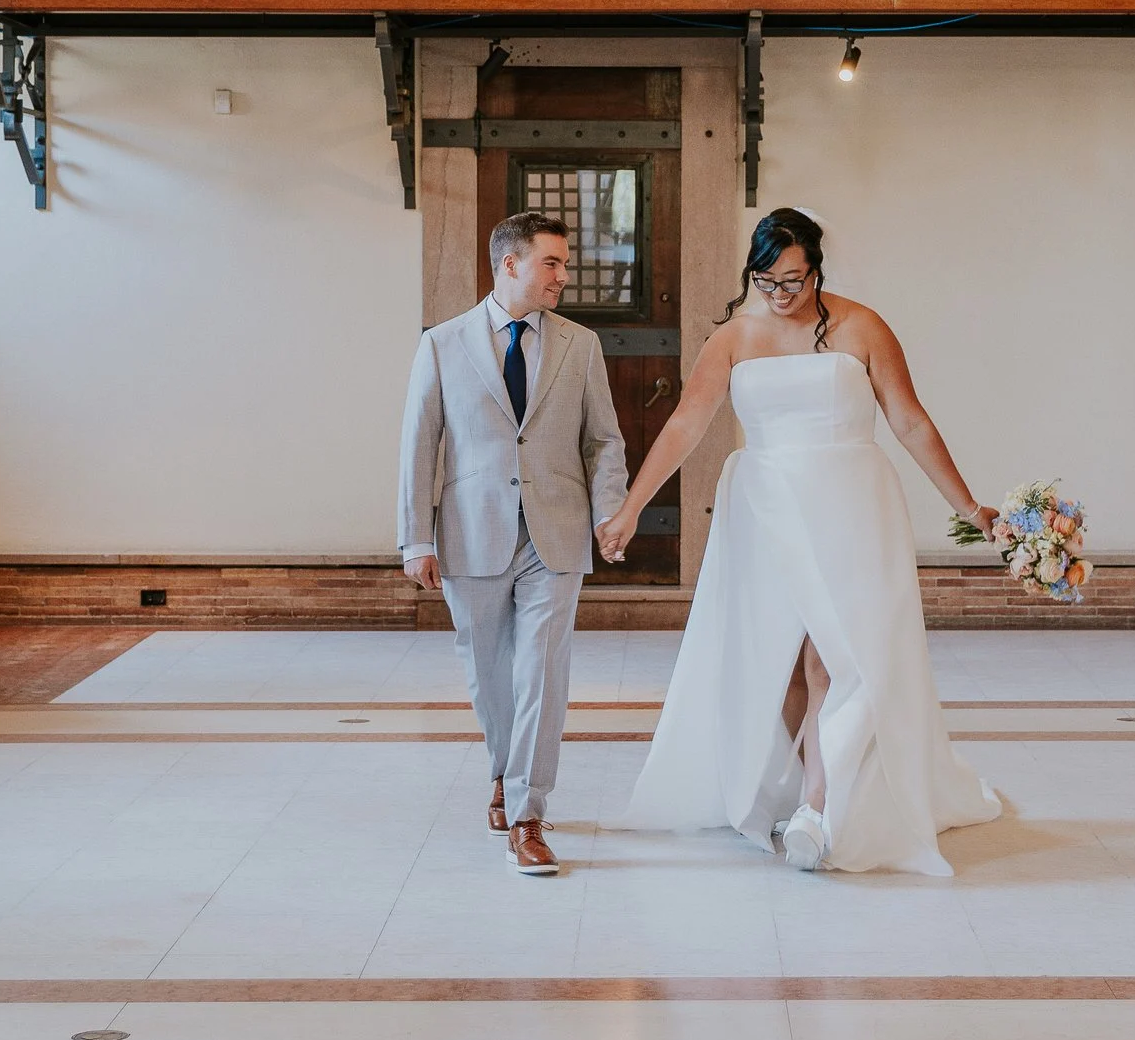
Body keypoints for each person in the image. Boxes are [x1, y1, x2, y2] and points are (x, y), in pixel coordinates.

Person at [598, 208, 1003, 875]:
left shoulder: (862, 325)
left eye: (793, 279)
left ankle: (819, 807)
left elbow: (908, 419)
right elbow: (685, 425)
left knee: (830, 656)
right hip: (764, 508)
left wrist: (967, 504)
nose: (780, 293)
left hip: (850, 503)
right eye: (766, 279)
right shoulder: (732, 338)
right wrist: (631, 508)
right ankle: (795, 785)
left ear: (817, 266)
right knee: (780, 661)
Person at [399, 211, 628, 877]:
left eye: (565, 262)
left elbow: (603, 439)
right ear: (510, 263)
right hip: (470, 531)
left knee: (542, 672)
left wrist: (609, 509)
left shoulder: (580, 345)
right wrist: (415, 537)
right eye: (553, 262)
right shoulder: (441, 344)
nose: (565, 274)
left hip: (555, 533)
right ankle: (502, 769)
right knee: (489, 673)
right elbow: (419, 444)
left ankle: (528, 813)